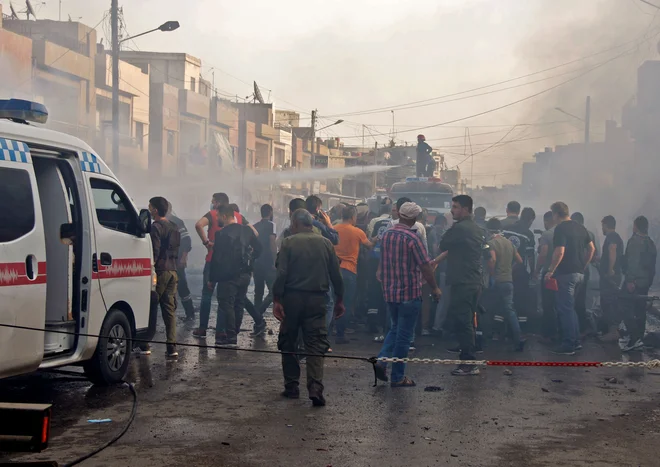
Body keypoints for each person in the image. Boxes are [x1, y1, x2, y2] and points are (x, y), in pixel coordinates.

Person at [274, 209, 345, 407]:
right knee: (315, 343)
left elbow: (281, 274)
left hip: (292, 300)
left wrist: (276, 299)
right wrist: (340, 299)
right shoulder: (326, 243)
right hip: (317, 300)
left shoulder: (288, 243)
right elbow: (336, 276)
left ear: (295, 223)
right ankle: (315, 387)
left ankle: (292, 386)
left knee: (288, 341)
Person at [373, 202, 441, 387]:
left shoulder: (387, 235)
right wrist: (434, 288)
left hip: (390, 292)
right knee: (403, 336)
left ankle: (381, 361)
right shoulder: (413, 238)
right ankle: (397, 377)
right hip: (409, 293)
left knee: (395, 329)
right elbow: (425, 267)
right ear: (414, 218)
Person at [438, 195, 485, 376]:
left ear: (465, 209)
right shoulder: (477, 228)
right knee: (468, 321)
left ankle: (468, 362)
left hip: (463, 281)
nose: (452, 210)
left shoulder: (461, 228)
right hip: (474, 280)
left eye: (456, 207)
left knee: (464, 321)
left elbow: (443, 244)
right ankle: (467, 353)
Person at [193, 193, 250, 338]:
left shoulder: (212, 214)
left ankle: (202, 328)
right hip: (232, 264)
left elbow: (198, 225)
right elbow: (252, 232)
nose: (212, 204)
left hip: (213, 259)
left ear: (218, 203)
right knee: (224, 298)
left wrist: (206, 243)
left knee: (207, 294)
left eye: (213, 201)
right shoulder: (238, 216)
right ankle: (220, 330)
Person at [544, 202, 595, 355]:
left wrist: (550, 271)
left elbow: (559, 252)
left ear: (555, 214)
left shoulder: (560, 229)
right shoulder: (580, 227)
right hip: (580, 274)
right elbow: (591, 248)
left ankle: (568, 344)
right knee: (570, 308)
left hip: (565, 274)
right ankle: (576, 341)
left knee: (564, 309)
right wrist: (583, 265)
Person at [208, 205, 262, 347]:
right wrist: (250, 260)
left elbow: (216, 258)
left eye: (218, 216)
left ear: (224, 217)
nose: (217, 219)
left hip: (227, 275)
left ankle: (231, 336)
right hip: (245, 274)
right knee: (239, 303)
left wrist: (211, 278)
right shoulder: (247, 231)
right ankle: (234, 333)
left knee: (227, 304)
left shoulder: (221, 234)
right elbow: (259, 249)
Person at [333, 205, 373, 344]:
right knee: (346, 303)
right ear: (353, 217)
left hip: (333, 270)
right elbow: (369, 245)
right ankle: (340, 334)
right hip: (349, 271)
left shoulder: (333, 228)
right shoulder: (357, 232)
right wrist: (376, 239)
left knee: (332, 302)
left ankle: (328, 331)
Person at [486, 218, 525, 351]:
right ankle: (519, 338)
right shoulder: (509, 243)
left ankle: (488, 336)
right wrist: (509, 269)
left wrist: (492, 274)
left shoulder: (491, 243)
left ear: (488, 229)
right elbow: (520, 260)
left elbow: (492, 259)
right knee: (509, 310)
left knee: (490, 307)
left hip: (497, 281)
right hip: (508, 281)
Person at [148, 196, 181, 358]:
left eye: (150, 206)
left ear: (155, 210)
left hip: (160, 271)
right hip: (173, 271)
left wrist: (150, 267)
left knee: (150, 306)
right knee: (169, 309)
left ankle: (144, 342)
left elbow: (154, 250)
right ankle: (172, 346)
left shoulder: (155, 227)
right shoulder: (174, 226)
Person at [621, 216, 657, 352]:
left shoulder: (636, 241)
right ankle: (638, 338)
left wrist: (630, 280)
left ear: (636, 226)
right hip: (645, 282)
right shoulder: (650, 242)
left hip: (635, 281)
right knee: (640, 309)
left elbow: (633, 262)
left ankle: (634, 337)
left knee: (624, 305)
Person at [505, 207, 536, 334]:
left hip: (505, 269)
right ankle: (520, 329)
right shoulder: (528, 234)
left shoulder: (507, 230)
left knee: (505, 299)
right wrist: (533, 272)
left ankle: (503, 329)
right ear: (531, 219)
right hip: (520, 271)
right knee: (520, 299)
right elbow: (530, 256)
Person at [251, 204, 278, 337]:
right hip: (268, 263)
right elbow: (272, 242)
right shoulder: (272, 225)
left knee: (258, 292)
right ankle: (258, 314)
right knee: (274, 291)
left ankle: (257, 322)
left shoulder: (255, 226)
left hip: (257, 262)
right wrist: (275, 261)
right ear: (270, 212)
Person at [166, 203, 195, 322]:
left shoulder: (177, 222)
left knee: (182, 286)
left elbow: (187, 240)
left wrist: (183, 257)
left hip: (177, 260)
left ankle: (190, 313)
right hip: (165, 261)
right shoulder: (156, 222)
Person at [570, 212, 598, 335]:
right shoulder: (590, 234)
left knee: (572, 300)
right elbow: (595, 254)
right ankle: (581, 328)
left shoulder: (573, 234)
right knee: (581, 299)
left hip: (574, 270)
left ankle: (574, 328)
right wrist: (585, 265)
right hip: (585, 271)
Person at [598, 215, 624, 336]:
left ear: (606, 225)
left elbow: (612, 250)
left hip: (611, 277)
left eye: (602, 225)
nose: (601, 228)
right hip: (612, 276)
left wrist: (610, 270)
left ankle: (613, 332)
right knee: (608, 302)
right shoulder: (615, 237)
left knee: (610, 302)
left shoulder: (612, 237)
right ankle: (609, 331)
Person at [535, 211, 558, 340]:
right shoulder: (562, 232)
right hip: (561, 273)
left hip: (548, 273)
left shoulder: (547, 234)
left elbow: (543, 254)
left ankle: (549, 334)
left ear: (547, 221)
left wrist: (537, 270)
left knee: (548, 304)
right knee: (559, 304)